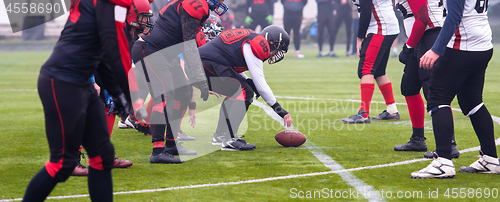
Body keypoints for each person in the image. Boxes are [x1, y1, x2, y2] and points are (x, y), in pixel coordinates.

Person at [22, 0, 133, 200]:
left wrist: (117, 92)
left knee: (102, 155)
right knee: (62, 163)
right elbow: (113, 47)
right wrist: (128, 92)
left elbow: (103, 56)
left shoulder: (104, 6)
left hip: (80, 82)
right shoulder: (107, 5)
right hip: (63, 81)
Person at [131, 0, 227, 164]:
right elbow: (189, 46)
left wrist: (199, 81)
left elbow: (185, 47)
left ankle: (171, 144)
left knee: (184, 92)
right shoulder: (196, 5)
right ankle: (157, 150)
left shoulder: (195, 5)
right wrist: (200, 78)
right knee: (165, 95)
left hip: (164, 53)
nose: (222, 2)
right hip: (151, 50)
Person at [411, 0, 498, 178]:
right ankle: (490, 158)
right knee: (473, 102)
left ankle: (443, 160)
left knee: (437, 98)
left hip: (463, 44)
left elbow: (455, 16)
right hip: (482, 43)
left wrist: (436, 49)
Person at [199, 25, 293, 150]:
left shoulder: (251, 37)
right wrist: (280, 110)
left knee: (240, 90)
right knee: (244, 91)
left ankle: (221, 136)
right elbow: (261, 85)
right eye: (278, 49)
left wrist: (248, 80)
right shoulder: (258, 44)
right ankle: (229, 140)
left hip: (206, 62)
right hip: (206, 63)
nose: (276, 53)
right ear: (271, 41)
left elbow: (230, 63)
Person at [392, 0, 460, 159]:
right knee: (408, 87)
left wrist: (408, 47)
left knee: (434, 93)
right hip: (423, 37)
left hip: (430, 36)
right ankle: (418, 139)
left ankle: (450, 144)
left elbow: (422, 18)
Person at [341, 0, 400, 124]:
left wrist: (359, 37)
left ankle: (364, 113)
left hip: (380, 27)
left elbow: (366, 12)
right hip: (387, 25)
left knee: (366, 69)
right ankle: (392, 110)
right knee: (379, 71)